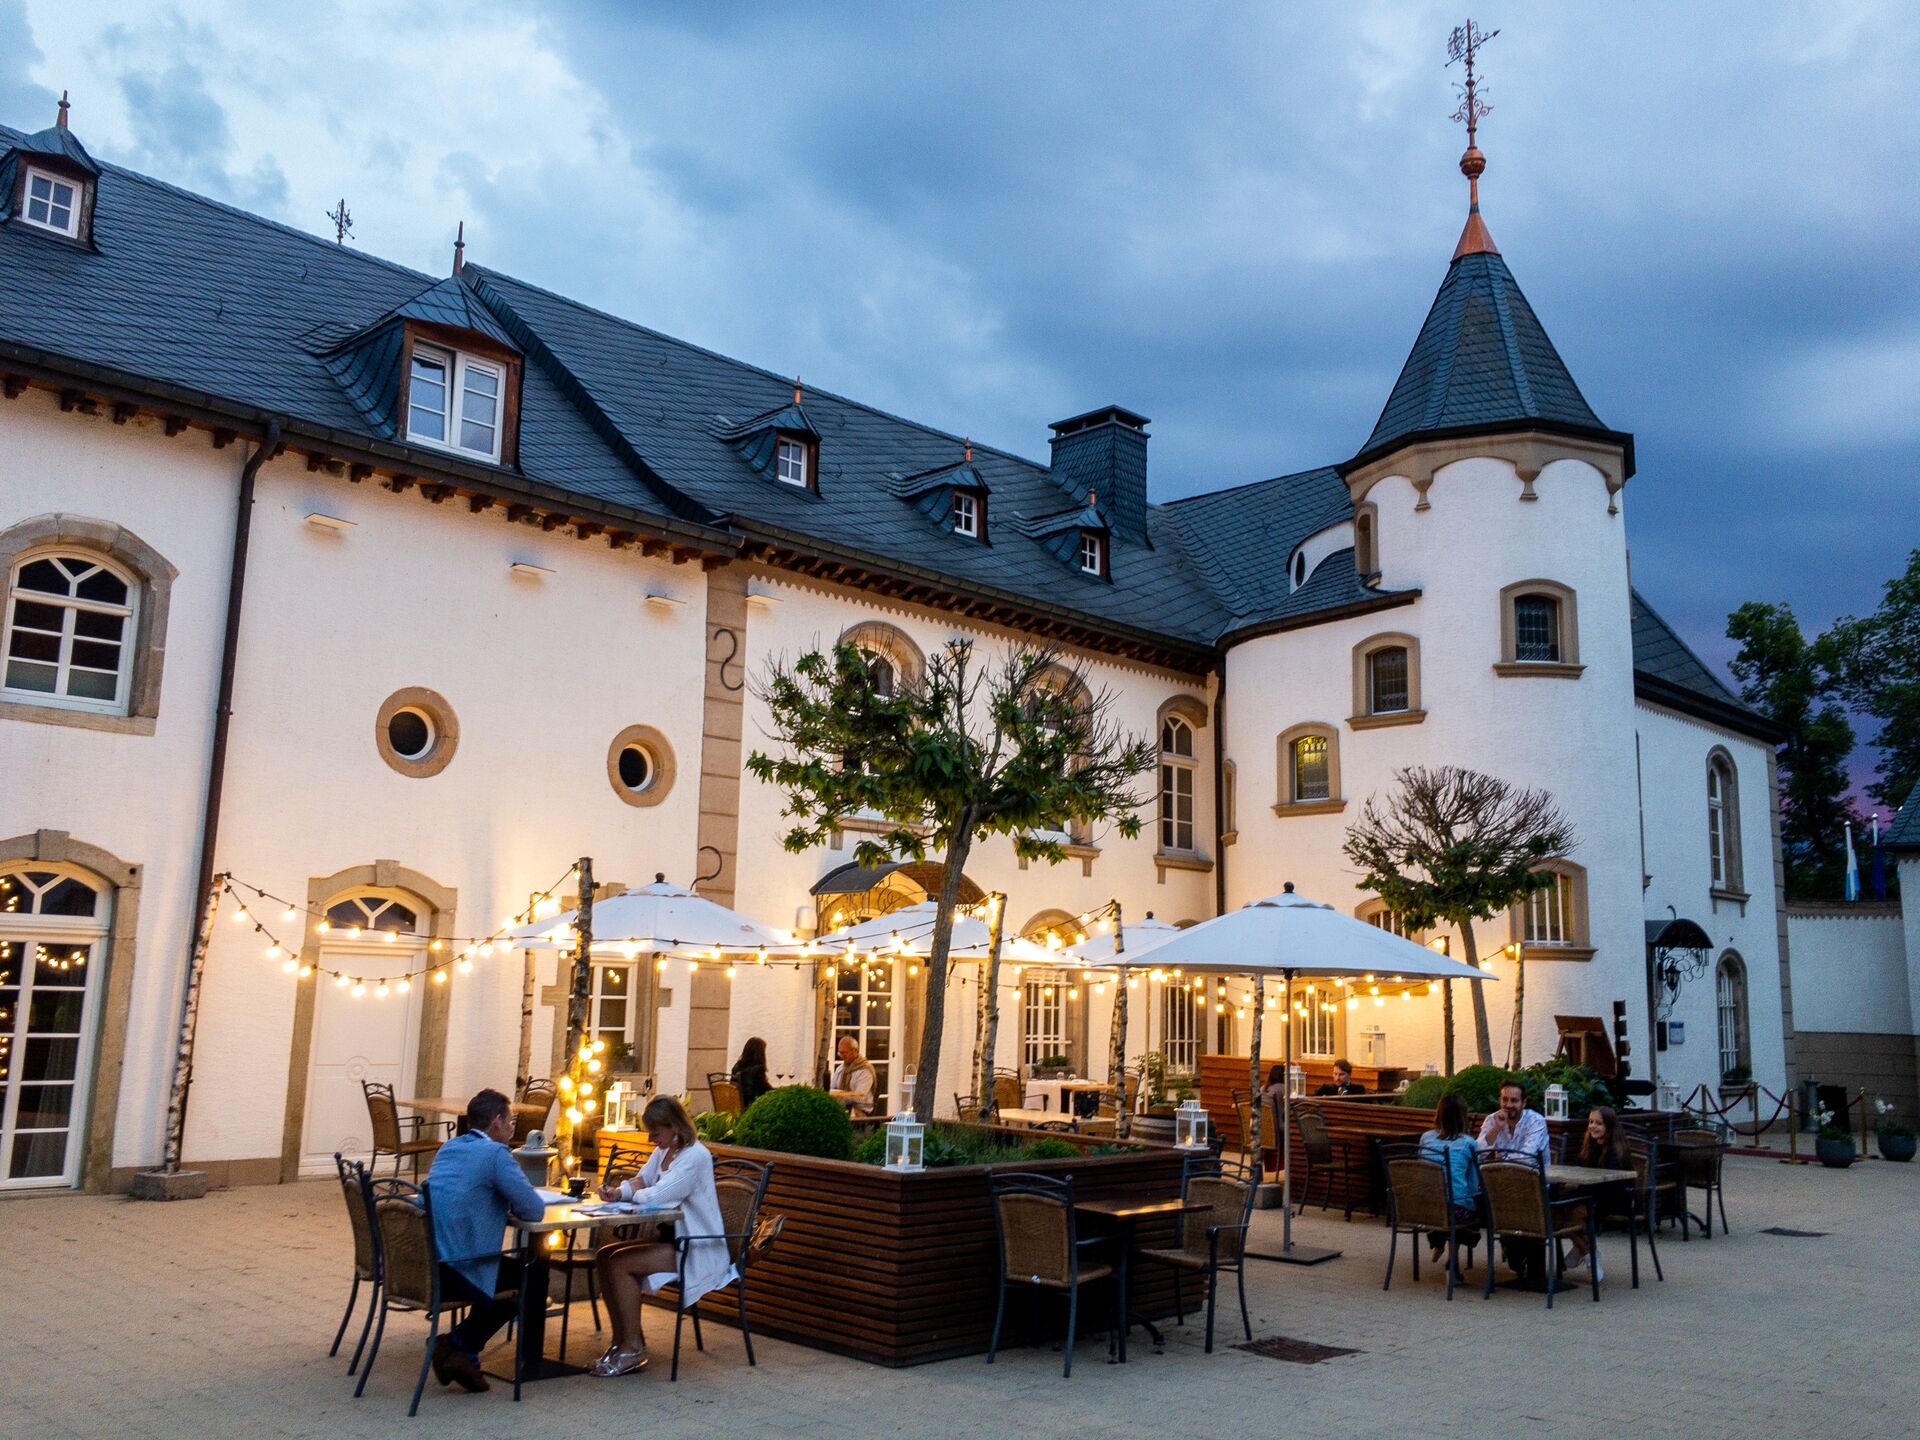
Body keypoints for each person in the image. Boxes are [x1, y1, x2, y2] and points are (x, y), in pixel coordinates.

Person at [590, 1096, 735, 1377]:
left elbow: (659, 1194)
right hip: (671, 1238)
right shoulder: (664, 1150)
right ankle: (621, 1342)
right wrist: (618, 1192)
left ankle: (632, 1348)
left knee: (620, 1263)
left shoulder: (695, 1156)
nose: (650, 1138)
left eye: (655, 1132)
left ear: (674, 1126)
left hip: (695, 1245)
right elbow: (642, 1180)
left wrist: (631, 1196)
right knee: (605, 1255)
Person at [422, 1088, 548, 1394]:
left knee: (509, 1272)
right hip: (460, 1267)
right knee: (529, 1276)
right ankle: (458, 1344)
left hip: (429, 1263)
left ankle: (465, 1355)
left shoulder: (449, 1147)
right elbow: (534, 1209)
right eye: (510, 1121)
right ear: (496, 1121)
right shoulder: (495, 1154)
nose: (512, 1128)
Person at [1562, 1105, 1630, 1282]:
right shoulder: (1590, 1145)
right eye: (1591, 1122)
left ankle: (1585, 1252)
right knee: (1556, 1211)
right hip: (1592, 1195)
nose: (1592, 1126)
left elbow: (1608, 1184)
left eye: (1598, 1123)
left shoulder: (1615, 1151)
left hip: (1614, 1199)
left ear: (1609, 1126)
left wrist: (1577, 1186)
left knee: (1572, 1213)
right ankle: (1588, 1252)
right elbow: (1578, 1166)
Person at [1417, 1094, 1483, 1262]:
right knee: (1470, 1208)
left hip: (1427, 1207)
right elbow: (1474, 1183)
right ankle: (1452, 1259)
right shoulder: (1469, 1143)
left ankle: (1437, 1241)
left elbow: (1421, 1169)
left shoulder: (1426, 1138)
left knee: (1450, 1206)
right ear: (1463, 1116)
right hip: (1455, 1209)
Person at [1477, 1078, 1550, 1159]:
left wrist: (1502, 1159)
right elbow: (1477, 1152)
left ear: (1524, 1103)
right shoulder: (1492, 1119)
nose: (1509, 1105)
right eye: (1505, 1099)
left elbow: (1528, 1157)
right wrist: (1496, 1127)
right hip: (1500, 1167)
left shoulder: (1536, 1121)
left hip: (1532, 1167)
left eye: (1514, 1100)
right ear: (1500, 1100)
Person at [829, 1035, 877, 1116]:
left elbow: (860, 1097)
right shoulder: (840, 1069)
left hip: (860, 1111)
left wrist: (841, 1097)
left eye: (844, 1053)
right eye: (840, 1053)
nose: (842, 1056)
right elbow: (832, 1088)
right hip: (842, 1109)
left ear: (855, 1051)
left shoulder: (865, 1070)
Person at [730, 1036, 772, 1110]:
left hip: (738, 1106)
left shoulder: (736, 1066)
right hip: (754, 1106)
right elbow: (765, 1089)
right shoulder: (758, 1069)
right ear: (760, 1053)